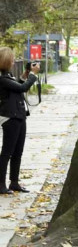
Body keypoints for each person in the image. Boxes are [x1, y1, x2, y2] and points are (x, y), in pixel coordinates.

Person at [0, 48, 39, 195]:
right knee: (7, 152)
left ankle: (14, 182)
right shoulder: (2, 79)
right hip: (11, 117)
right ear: (6, 61)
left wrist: (25, 75)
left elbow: (17, 86)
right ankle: (1, 184)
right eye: (12, 58)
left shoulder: (7, 77)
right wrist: (33, 75)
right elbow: (23, 87)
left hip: (19, 115)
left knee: (18, 151)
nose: (14, 61)